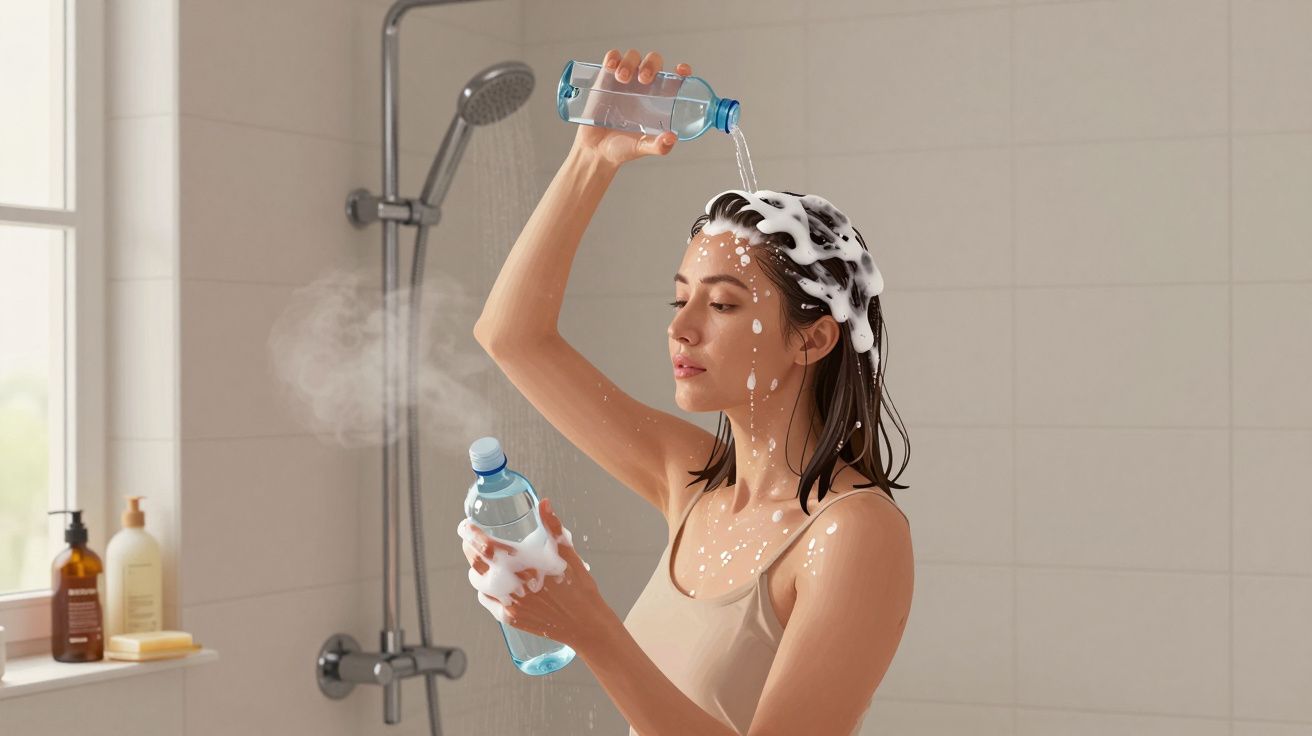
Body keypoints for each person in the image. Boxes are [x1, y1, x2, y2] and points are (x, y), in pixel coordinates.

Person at [467, 47, 914, 736]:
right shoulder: (694, 481)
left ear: (813, 339)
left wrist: (590, 628)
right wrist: (592, 159)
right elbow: (512, 337)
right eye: (679, 300)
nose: (681, 327)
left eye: (724, 305)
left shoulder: (853, 533)